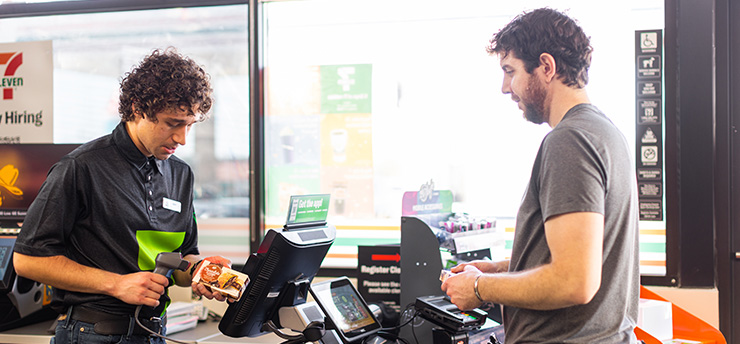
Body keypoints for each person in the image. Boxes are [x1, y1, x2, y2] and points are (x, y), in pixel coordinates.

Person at [441, 8, 640, 343]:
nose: (505, 87)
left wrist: (479, 287)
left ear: (546, 67)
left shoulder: (569, 141)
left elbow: (573, 281)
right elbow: (583, 255)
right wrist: (502, 268)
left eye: (510, 71)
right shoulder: (605, 133)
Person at [13, 48, 231, 344]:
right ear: (137, 108)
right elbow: (28, 261)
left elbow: (182, 259)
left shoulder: (181, 174)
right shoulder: (80, 167)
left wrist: (200, 272)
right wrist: (116, 284)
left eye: (190, 125)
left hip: (154, 332)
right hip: (92, 333)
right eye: (172, 123)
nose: (182, 139)